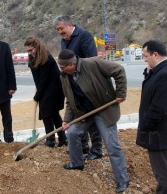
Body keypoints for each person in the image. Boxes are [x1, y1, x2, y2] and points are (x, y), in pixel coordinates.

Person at [58, 49, 129, 193]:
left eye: (63, 67)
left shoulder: (93, 63)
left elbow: (119, 70)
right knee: (72, 133)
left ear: (72, 64)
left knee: (111, 145)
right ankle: (77, 163)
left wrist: (121, 93)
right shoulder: (65, 76)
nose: (61, 70)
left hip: (103, 110)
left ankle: (123, 180)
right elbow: (70, 101)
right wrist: (66, 120)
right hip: (85, 113)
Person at [53, 14, 103, 160]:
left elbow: (91, 59)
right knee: (78, 115)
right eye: (57, 30)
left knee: (92, 117)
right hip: (73, 85)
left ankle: (97, 150)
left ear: (70, 25)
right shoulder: (64, 41)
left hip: (87, 84)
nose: (60, 32)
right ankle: (83, 147)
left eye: (61, 28)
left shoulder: (84, 36)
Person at [24, 36, 67, 148]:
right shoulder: (33, 57)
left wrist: (37, 97)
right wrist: (38, 92)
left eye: (31, 50)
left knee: (46, 114)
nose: (29, 53)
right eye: (27, 51)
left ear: (37, 47)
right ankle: (62, 139)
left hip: (54, 89)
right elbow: (38, 79)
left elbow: (43, 80)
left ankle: (51, 140)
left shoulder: (46, 58)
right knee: (53, 114)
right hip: (45, 89)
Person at [136, 40, 167, 194]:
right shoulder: (159, 71)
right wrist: (148, 72)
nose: (144, 59)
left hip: (159, 135)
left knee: (163, 175)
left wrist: (144, 124)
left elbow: (159, 108)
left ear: (155, 54)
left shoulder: (164, 74)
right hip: (159, 133)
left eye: (146, 56)